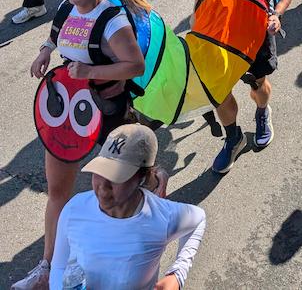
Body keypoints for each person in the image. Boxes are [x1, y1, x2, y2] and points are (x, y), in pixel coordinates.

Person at [14, 0, 148, 289]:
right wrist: (45, 50)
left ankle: (122, 263)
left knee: (115, 193)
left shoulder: (113, 21)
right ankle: (47, 268)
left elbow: (135, 66)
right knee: (57, 191)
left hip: (108, 114)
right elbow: (58, 34)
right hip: (68, 114)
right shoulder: (65, 8)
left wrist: (92, 72)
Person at [200, 0, 295, 173]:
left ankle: (263, 112)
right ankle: (233, 139)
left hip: (256, 31)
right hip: (224, 30)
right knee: (218, 89)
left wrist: (277, 14)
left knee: (258, 87)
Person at [49, 123, 205, 290]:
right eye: (99, 171)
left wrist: (177, 275)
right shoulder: (75, 209)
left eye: (117, 177)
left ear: (142, 177)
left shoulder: (161, 218)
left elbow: (198, 220)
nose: (103, 186)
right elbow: (58, 265)